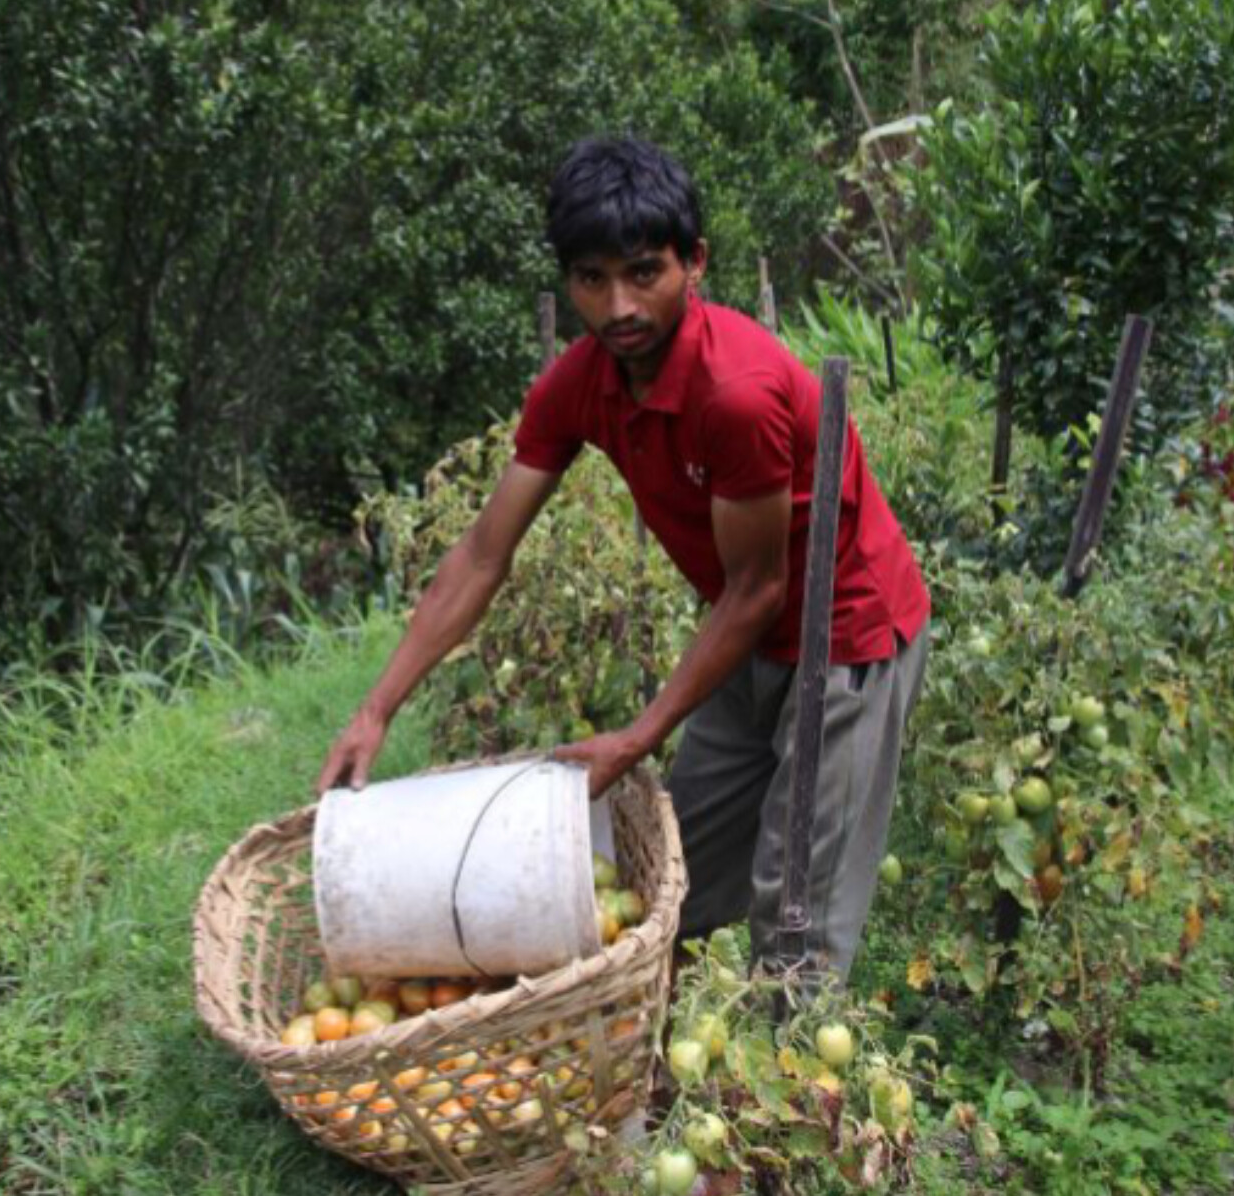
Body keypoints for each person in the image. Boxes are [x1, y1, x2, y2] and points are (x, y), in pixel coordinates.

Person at [314, 136, 931, 978]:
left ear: (694, 262)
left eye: (644, 273)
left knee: (796, 916)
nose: (618, 307)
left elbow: (759, 587)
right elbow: (483, 554)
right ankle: (661, 1041)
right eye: (591, 279)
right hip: (745, 639)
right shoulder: (580, 383)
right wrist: (376, 709)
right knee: (672, 886)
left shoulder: (736, 394)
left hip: (842, 635)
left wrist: (637, 736)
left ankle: (789, 1048)